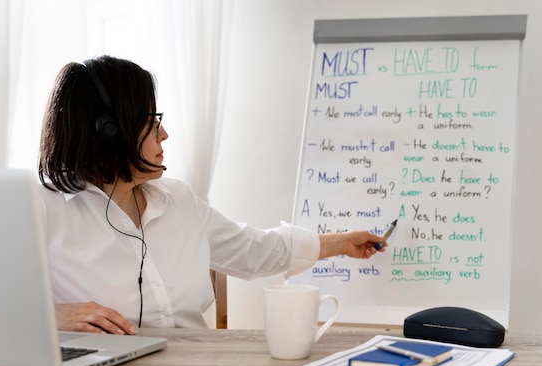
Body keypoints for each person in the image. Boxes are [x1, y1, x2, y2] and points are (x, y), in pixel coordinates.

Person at [38, 55, 385, 335]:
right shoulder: (40, 211)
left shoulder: (178, 200)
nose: (165, 134)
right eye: (151, 121)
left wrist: (342, 243)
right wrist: (53, 315)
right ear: (109, 132)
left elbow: (253, 251)